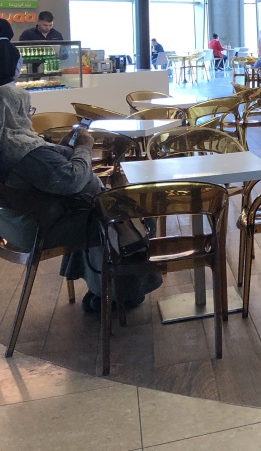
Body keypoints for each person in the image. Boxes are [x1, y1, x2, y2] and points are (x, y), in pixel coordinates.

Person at [0, 40, 160, 312]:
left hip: (14, 224)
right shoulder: (23, 149)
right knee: (132, 213)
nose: (29, 116)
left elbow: (45, 171)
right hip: (42, 227)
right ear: (14, 110)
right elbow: (71, 181)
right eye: (27, 110)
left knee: (98, 208)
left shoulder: (8, 144)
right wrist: (84, 147)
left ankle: (101, 289)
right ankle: (120, 296)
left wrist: (61, 149)